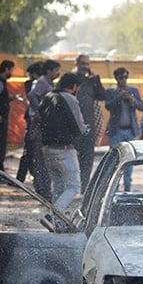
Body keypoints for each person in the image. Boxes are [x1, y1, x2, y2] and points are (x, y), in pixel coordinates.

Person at [38, 72, 88, 216]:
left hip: (47, 149)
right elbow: (80, 127)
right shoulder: (70, 98)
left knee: (59, 185)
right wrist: (86, 130)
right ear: (74, 86)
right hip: (64, 150)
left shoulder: (48, 96)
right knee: (73, 186)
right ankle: (53, 214)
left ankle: (54, 220)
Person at [105, 67, 143, 191]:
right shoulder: (111, 91)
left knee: (129, 159)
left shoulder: (133, 90)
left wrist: (131, 99)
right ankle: (113, 188)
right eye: (121, 77)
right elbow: (108, 106)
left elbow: (142, 107)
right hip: (116, 130)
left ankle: (127, 186)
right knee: (114, 160)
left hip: (130, 130)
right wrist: (119, 97)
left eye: (126, 77)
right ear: (116, 78)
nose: (124, 80)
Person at [27, 59, 61, 200]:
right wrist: (40, 111)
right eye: (55, 70)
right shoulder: (43, 82)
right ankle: (42, 188)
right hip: (40, 126)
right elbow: (32, 95)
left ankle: (44, 187)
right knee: (41, 157)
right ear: (49, 71)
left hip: (45, 126)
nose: (57, 73)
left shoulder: (48, 83)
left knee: (44, 157)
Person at [73, 54, 106, 193]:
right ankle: (73, 186)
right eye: (83, 64)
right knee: (73, 157)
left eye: (88, 64)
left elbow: (102, 96)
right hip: (73, 126)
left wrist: (96, 80)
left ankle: (83, 187)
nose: (85, 67)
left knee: (88, 157)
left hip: (89, 125)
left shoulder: (92, 81)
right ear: (77, 64)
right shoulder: (71, 79)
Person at [16, 61, 43, 182]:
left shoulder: (36, 84)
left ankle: (31, 175)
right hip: (33, 120)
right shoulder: (32, 84)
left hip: (33, 120)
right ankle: (22, 177)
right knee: (30, 149)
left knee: (32, 149)